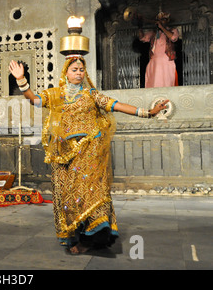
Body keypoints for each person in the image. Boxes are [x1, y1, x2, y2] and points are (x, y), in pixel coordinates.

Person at [9, 56, 168, 254]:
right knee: (65, 195)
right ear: (66, 73)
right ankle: (75, 235)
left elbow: (116, 105)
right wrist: (21, 80)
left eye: (81, 70)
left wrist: (149, 113)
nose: (79, 73)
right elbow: (35, 100)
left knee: (90, 193)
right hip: (63, 155)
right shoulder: (55, 94)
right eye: (74, 69)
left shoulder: (91, 95)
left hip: (89, 152)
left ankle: (91, 239)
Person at [138, 11, 179, 88]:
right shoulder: (154, 33)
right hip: (154, 63)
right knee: (153, 85)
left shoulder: (173, 30)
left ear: (167, 21)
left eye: (162, 19)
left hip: (166, 63)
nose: (160, 22)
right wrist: (140, 27)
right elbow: (142, 38)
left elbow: (173, 37)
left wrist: (162, 27)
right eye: (159, 20)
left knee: (166, 85)